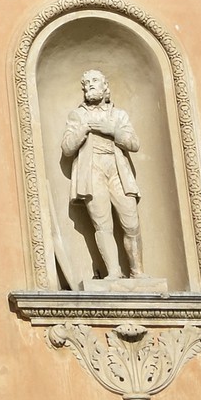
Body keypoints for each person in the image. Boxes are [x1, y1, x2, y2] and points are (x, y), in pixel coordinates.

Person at [60, 67, 143, 280]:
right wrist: (84, 129)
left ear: (105, 86)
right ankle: (113, 271)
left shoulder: (118, 115)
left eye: (95, 81)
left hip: (117, 170)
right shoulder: (78, 115)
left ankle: (137, 271)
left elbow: (134, 144)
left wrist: (112, 130)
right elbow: (67, 147)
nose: (90, 86)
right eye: (86, 83)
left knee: (131, 223)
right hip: (92, 170)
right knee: (102, 224)